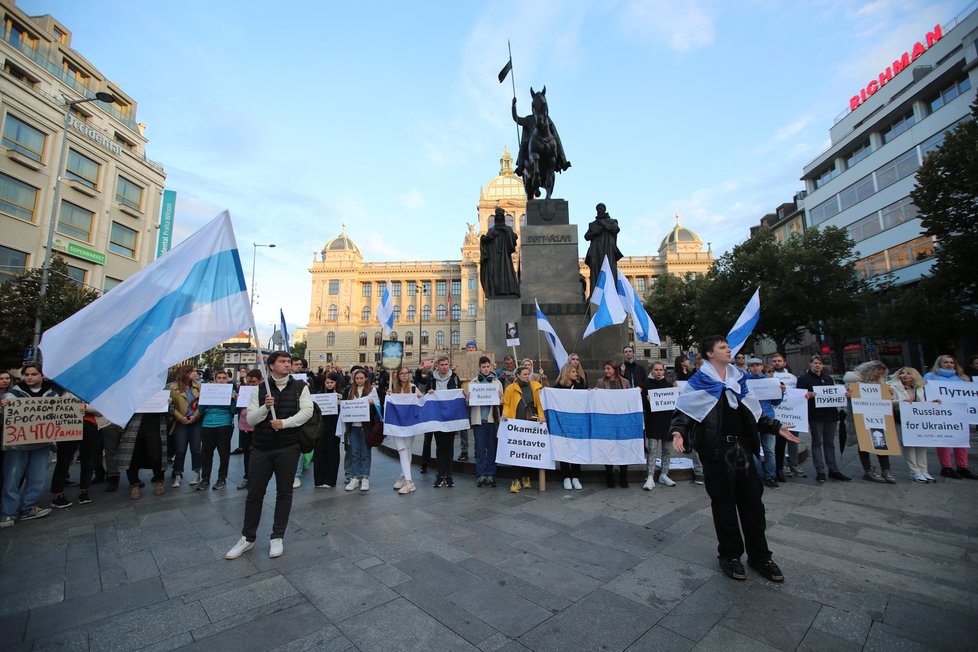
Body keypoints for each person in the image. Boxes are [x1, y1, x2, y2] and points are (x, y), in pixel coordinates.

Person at [670, 336, 800, 582]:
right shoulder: (699, 382)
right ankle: (729, 555)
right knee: (724, 505)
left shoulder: (739, 380)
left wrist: (776, 427)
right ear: (710, 353)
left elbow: (754, 414)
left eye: (728, 346)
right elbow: (684, 412)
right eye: (722, 347)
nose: (729, 349)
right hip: (716, 452)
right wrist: (678, 432)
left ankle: (760, 556)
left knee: (753, 504)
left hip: (742, 450)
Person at [226, 351, 313, 560]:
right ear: (271, 366)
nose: (287, 364)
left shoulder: (301, 387)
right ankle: (247, 537)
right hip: (261, 448)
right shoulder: (259, 389)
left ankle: (277, 536)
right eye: (282, 362)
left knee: (284, 493)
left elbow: (307, 411)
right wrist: (266, 407)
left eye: (289, 362)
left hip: (288, 447)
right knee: (255, 493)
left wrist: (284, 423)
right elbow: (252, 419)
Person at [1, 364, 59, 526]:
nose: (30, 377)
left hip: (41, 444)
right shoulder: (12, 395)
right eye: (27, 374)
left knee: (37, 478)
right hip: (17, 446)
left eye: (34, 374)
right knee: (12, 479)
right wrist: (3, 408)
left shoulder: (52, 395)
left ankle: (30, 507)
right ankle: (8, 512)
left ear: (41, 375)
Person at [796, 355, 850, 483]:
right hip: (816, 416)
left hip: (831, 415)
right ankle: (820, 470)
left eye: (820, 363)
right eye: (815, 363)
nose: (817, 365)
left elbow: (835, 394)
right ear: (810, 364)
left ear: (823, 365)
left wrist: (844, 395)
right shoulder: (803, 379)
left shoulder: (828, 379)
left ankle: (833, 469)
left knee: (829, 443)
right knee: (817, 443)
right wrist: (807, 395)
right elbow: (799, 396)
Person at [924, 355, 975, 479]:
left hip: (960, 414)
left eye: (951, 362)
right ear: (939, 364)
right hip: (942, 414)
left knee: (962, 441)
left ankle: (962, 467)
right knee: (944, 441)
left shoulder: (962, 378)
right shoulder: (930, 377)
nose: (949, 364)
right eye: (945, 362)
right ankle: (946, 467)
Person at [848, 361, 895, 484]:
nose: (879, 375)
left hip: (877, 417)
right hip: (862, 418)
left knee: (881, 443)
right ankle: (868, 469)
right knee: (864, 444)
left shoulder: (882, 384)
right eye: (877, 372)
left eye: (881, 373)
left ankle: (886, 469)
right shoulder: (856, 381)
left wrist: (890, 394)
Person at [500, 365, 544, 493]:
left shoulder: (535, 386)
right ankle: (515, 479)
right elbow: (506, 404)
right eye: (525, 374)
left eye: (528, 373)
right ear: (517, 375)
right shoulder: (510, 389)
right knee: (516, 450)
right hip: (516, 425)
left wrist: (541, 417)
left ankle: (526, 477)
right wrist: (505, 414)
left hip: (531, 424)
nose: (527, 376)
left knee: (529, 451)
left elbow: (540, 405)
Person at [888, 367, 935, 483]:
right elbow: (888, 402)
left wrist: (933, 403)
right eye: (902, 373)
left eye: (908, 373)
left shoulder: (920, 387)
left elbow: (922, 403)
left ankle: (924, 470)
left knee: (921, 444)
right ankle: (914, 471)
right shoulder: (891, 387)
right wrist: (901, 402)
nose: (905, 375)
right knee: (908, 445)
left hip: (918, 420)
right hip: (902, 419)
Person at [745, 357, 783, 489]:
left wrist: (781, 393)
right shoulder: (745, 382)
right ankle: (758, 475)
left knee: (769, 450)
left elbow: (776, 402)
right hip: (751, 419)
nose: (755, 368)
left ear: (762, 367)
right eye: (753, 366)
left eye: (758, 365)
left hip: (768, 418)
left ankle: (770, 476)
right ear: (749, 368)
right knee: (753, 450)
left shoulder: (769, 381)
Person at [466, 357, 504, 488]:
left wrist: (500, 396)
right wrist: (468, 398)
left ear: (491, 367)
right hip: (478, 421)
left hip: (491, 420)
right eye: (483, 367)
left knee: (492, 448)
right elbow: (468, 403)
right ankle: (481, 474)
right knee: (480, 449)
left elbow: (502, 402)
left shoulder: (497, 382)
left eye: (488, 366)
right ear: (479, 368)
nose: (486, 369)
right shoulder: (473, 383)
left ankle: (491, 474)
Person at [425, 356, 462, 488]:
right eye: (442, 364)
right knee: (440, 447)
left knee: (449, 446)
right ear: (437, 366)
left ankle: (449, 474)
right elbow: (426, 397)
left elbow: (459, 394)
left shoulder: (455, 378)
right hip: (437, 418)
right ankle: (440, 474)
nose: (444, 367)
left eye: (446, 364)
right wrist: (429, 393)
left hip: (450, 417)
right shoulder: (431, 379)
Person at [595, 361, 632, 488]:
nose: (606, 371)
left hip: (622, 420)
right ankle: (609, 476)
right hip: (607, 420)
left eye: (608, 368)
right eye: (605, 369)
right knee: (608, 447)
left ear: (614, 369)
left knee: (623, 447)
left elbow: (629, 399)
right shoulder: (600, 382)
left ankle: (623, 476)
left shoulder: (625, 382)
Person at [198, 370, 237, 491]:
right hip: (207, 424)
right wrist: (202, 398)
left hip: (224, 424)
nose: (221, 380)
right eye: (219, 378)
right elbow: (201, 409)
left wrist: (233, 400)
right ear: (215, 379)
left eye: (224, 378)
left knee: (224, 453)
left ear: (227, 379)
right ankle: (205, 478)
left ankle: (222, 478)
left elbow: (234, 411)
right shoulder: (208, 390)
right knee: (206, 453)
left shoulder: (232, 392)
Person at [641, 361, 676, 491]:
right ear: (652, 370)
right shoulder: (646, 385)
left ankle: (664, 473)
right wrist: (647, 400)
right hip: (653, 422)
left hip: (667, 422)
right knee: (652, 450)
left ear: (664, 371)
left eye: (661, 370)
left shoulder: (669, 384)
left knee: (667, 450)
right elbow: (642, 403)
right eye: (656, 370)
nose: (658, 372)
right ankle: (650, 476)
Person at [387, 366, 423, 494]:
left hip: (409, 424)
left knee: (407, 449)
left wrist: (420, 396)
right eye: (401, 373)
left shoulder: (413, 387)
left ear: (409, 375)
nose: (404, 375)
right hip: (397, 424)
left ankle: (404, 476)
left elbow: (421, 400)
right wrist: (388, 396)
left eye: (406, 373)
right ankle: (409, 482)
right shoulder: (393, 389)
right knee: (402, 450)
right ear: (397, 375)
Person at [343, 368, 380, 491]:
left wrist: (372, 404)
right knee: (354, 453)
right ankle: (355, 477)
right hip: (353, 426)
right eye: (357, 378)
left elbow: (378, 408)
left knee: (365, 452)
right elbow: (345, 405)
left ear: (366, 379)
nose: (359, 380)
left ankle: (365, 477)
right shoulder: (349, 391)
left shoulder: (372, 390)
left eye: (361, 378)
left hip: (366, 427)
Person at [770, 353, 804, 481]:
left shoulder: (793, 378)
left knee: (793, 439)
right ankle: (783, 465)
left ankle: (794, 464)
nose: (777, 363)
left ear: (785, 363)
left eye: (779, 361)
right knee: (779, 442)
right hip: (778, 414)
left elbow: (799, 393)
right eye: (774, 361)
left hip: (793, 413)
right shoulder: (770, 377)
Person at [119, 411, 168, 499]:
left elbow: (171, 409)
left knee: (156, 454)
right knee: (132, 455)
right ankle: (134, 485)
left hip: (155, 421)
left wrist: (168, 403)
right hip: (134, 423)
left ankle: (159, 481)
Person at [554, 363, 587, 490]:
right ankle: (566, 477)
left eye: (576, 371)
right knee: (563, 448)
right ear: (567, 373)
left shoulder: (580, 387)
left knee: (576, 449)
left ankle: (576, 476)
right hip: (562, 423)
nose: (576, 373)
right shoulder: (557, 388)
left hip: (577, 423)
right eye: (573, 372)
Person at [168, 365, 202, 488]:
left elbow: (203, 404)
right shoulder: (173, 387)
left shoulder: (198, 386)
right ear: (185, 373)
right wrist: (180, 417)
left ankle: (197, 473)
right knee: (180, 449)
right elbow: (170, 406)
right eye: (192, 371)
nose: (195, 372)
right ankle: (177, 474)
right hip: (180, 422)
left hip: (195, 421)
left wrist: (196, 416)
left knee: (196, 448)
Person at [584, 203, 622, 299]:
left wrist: (604, 224)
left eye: (601, 208)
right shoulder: (592, 224)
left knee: (610, 270)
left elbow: (616, 229)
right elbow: (586, 236)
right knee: (596, 271)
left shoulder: (612, 221)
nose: (599, 210)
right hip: (596, 250)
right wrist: (594, 232)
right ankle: (596, 294)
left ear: (605, 209)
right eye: (598, 208)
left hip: (608, 249)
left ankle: (612, 294)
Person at [479, 207, 520, 297]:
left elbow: (514, 238)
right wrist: (484, 239)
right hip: (494, 256)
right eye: (498, 216)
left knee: (506, 272)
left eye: (501, 216)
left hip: (504, 256)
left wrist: (507, 231)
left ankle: (508, 290)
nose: (500, 218)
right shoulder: (491, 230)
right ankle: (496, 291)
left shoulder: (508, 229)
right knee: (495, 275)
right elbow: (486, 241)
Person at [313, 372, 342, 489]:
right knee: (319, 451)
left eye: (331, 382)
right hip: (321, 426)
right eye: (327, 382)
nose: (329, 385)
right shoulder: (319, 394)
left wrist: (340, 403)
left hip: (334, 426)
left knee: (332, 451)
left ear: (336, 383)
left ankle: (330, 480)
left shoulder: (340, 394)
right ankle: (319, 479)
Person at [236, 369, 262, 490]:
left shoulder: (263, 391)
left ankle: (256, 478)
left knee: (258, 454)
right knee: (247, 453)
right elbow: (237, 409)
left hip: (257, 427)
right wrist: (235, 400)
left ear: (260, 381)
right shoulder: (243, 390)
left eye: (253, 382)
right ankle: (247, 477)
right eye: (248, 382)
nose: (250, 384)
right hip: (244, 426)